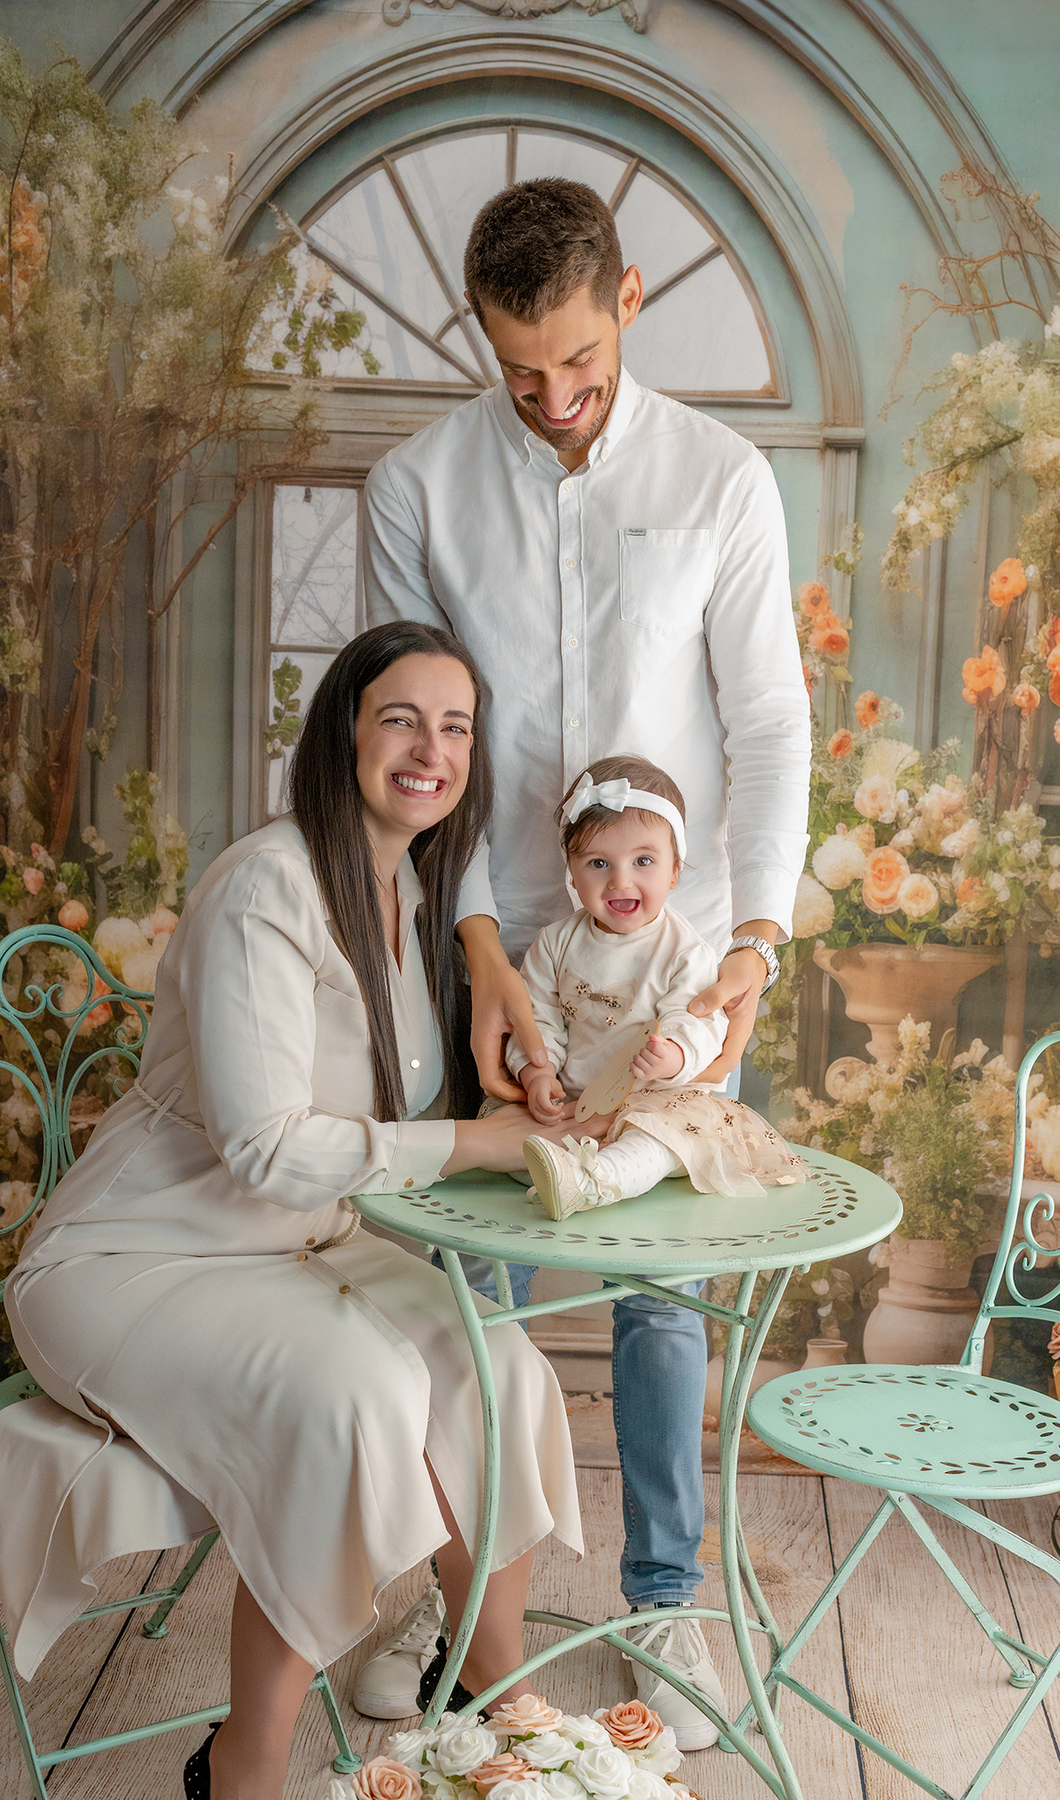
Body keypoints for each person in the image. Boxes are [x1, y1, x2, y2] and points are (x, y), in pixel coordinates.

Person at [361, 177, 810, 1746]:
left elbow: (768, 725)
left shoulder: (723, 478)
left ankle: (667, 1598)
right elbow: (416, 750)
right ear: (477, 333)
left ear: (629, 299)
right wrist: (482, 959)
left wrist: (752, 948)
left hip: (680, 966)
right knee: (464, 1277)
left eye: (580, 364)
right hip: (488, 941)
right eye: (517, 370)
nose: (554, 401)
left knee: (660, 1293)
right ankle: (456, 1597)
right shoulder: (416, 487)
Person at [5, 623, 584, 1800]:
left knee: (503, 1369)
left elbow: (376, 1116)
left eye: (456, 728)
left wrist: (524, 1102)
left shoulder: (409, 891)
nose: (431, 750)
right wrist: (477, 1142)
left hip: (303, 1248)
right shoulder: (266, 883)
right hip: (140, 1258)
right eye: (401, 720)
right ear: (343, 734)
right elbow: (267, 1146)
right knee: (351, 1397)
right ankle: (247, 1764)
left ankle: (495, 1693)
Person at [516, 757, 808, 1219]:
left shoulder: (684, 951)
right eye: (598, 863)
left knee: (661, 1141)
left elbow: (699, 1021)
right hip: (575, 1100)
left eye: (643, 861)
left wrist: (674, 1054)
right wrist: (539, 1071)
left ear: (674, 870)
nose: (620, 880)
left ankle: (595, 1181)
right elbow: (536, 1017)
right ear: (572, 873)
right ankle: (556, 1169)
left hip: (656, 1100)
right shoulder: (554, 944)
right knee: (510, 1123)